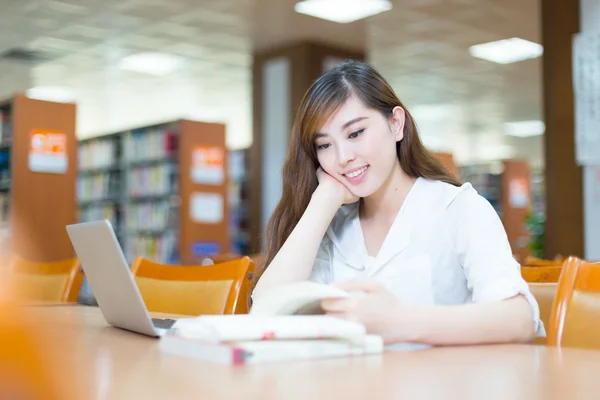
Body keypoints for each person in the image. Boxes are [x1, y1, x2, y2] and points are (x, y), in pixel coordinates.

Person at [252, 60, 544, 346]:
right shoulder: (332, 224)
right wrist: (324, 198)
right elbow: (264, 315)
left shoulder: (458, 208)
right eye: (324, 145)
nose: (342, 157)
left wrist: (399, 322)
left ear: (396, 124)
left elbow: (517, 318)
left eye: (355, 133)